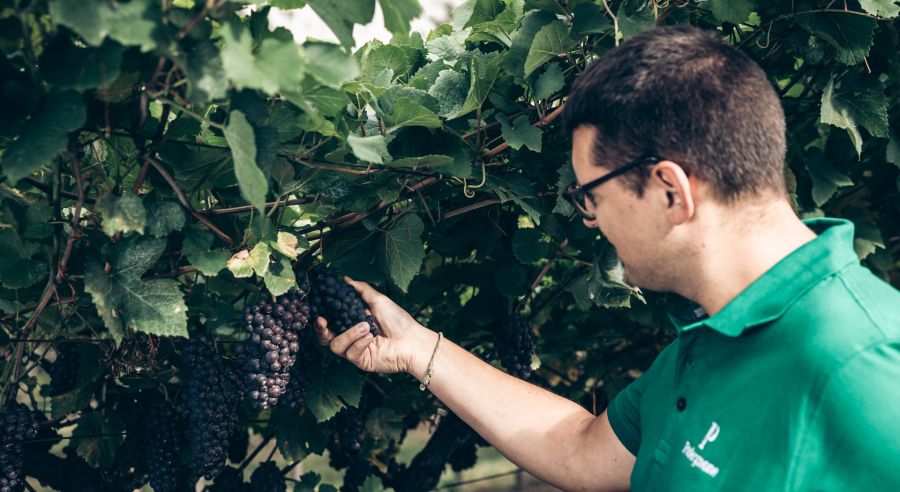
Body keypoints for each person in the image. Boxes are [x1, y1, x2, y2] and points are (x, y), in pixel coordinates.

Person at [314, 25, 900, 491]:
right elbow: (581, 449)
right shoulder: (706, 345)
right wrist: (419, 347)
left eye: (591, 195)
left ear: (671, 191)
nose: (590, 219)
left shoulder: (865, 366)